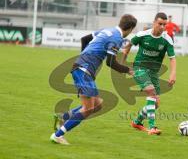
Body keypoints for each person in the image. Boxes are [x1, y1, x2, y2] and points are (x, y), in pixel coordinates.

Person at [50, 14, 137, 145]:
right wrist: (128, 70)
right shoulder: (116, 38)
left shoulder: (107, 30)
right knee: (88, 108)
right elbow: (111, 62)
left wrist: (83, 56)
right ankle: (58, 135)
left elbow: (84, 39)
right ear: (130, 28)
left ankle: (64, 117)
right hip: (83, 70)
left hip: (84, 69)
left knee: (98, 104)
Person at [122, 12, 176, 135]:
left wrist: (173, 73)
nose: (162, 27)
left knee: (155, 103)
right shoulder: (143, 35)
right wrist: (123, 61)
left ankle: (137, 122)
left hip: (153, 72)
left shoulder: (167, 39)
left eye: (164, 25)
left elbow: (172, 58)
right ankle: (153, 127)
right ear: (154, 23)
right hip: (139, 68)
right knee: (151, 92)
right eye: (160, 24)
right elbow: (129, 44)